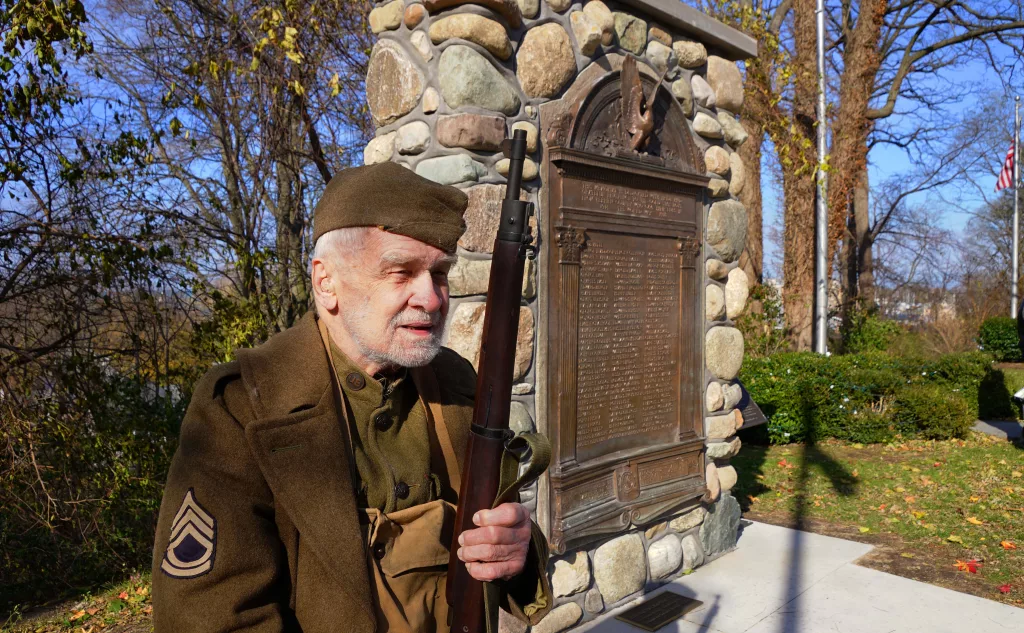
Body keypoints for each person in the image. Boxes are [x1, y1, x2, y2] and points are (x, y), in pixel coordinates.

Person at [151, 162, 552, 633]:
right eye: (400, 271)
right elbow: (212, 617)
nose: (433, 297)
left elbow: (493, 531)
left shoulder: (457, 384)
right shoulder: (241, 410)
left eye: (439, 273)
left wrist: (517, 550)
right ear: (327, 283)